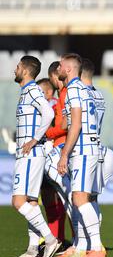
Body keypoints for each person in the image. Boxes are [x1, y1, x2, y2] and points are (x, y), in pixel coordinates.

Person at [10, 55, 60, 257]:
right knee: (30, 201)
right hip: (27, 154)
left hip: (31, 154)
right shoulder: (26, 92)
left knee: (18, 201)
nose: (14, 69)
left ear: (25, 69)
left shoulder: (32, 90)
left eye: (17, 66)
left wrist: (33, 139)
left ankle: (50, 240)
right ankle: (32, 250)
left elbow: (48, 113)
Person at [56, 53, 104, 257]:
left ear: (68, 69)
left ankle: (96, 248)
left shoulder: (74, 89)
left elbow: (76, 124)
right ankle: (84, 246)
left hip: (83, 149)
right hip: (88, 148)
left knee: (79, 199)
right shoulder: (84, 89)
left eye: (60, 65)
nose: (58, 67)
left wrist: (64, 154)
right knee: (80, 198)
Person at [81, 58, 113, 251]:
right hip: (99, 148)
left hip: (85, 149)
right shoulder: (99, 95)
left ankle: (89, 243)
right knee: (92, 198)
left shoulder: (81, 94)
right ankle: (94, 243)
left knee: (81, 198)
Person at [36, 78, 67, 245]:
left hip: (54, 154)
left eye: (40, 92)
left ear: (48, 92)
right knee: (48, 196)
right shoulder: (42, 106)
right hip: (42, 155)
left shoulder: (55, 106)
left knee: (60, 197)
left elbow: (60, 127)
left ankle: (59, 237)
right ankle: (54, 237)